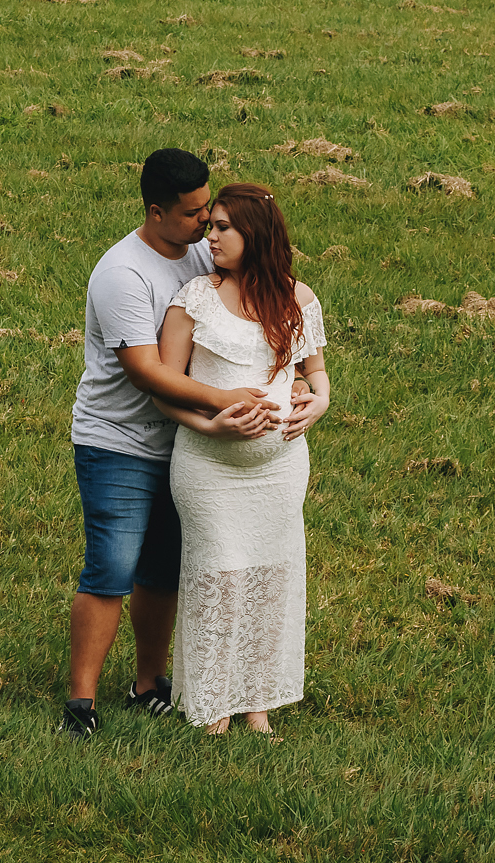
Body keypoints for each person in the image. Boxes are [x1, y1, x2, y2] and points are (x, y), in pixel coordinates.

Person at [62, 150, 282, 740]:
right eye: (192, 214)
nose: (205, 222)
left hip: (187, 446)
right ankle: (79, 704)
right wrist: (228, 400)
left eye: (208, 207)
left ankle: (148, 685)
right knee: (111, 567)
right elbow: (146, 372)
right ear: (155, 212)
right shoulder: (122, 275)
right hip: (119, 442)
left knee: (161, 571)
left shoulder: (197, 256)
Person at [152, 183, 332, 734]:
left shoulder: (297, 298)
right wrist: (212, 423)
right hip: (208, 467)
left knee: (271, 578)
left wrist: (318, 402)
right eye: (210, 226)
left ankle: (258, 706)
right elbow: (164, 389)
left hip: (279, 468)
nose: (211, 237)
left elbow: (314, 374)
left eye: (222, 227)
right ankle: (212, 709)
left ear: (254, 233)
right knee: (219, 576)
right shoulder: (195, 298)